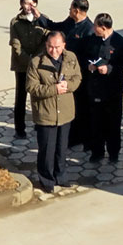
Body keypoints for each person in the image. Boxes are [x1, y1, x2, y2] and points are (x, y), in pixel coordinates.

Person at [26, 29, 82, 193]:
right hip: (46, 113)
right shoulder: (36, 62)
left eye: (57, 47)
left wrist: (68, 86)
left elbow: (77, 78)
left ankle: (61, 176)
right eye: (50, 47)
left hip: (65, 112)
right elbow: (31, 87)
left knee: (61, 148)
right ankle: (46, 179)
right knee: (47, 150)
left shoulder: (70, 58)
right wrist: (54, 89)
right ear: (46, 45)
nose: (54, 50)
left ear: (64, 45)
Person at [73, 12, 123, 166]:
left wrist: (109, 68)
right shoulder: (92, 40)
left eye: (96, 27)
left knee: (113, 124)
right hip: (95, 89)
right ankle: (97, 152)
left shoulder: (120, 43)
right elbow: (83, 56)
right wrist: (89, 66)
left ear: (103, 28)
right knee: (96, 123)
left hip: (113, 91)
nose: (94, 29)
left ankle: (113, 153)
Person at [5, 0, 50, 140]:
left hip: (39, 64)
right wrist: (29, 61)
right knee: (21, 96)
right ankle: (20, 129)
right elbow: (16, 45)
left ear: (36, 4)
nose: (28, 6)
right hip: (22, 65)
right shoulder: (15, 22)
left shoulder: (43, 20)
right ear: (21, 4)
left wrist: (37, 60)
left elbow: (46, 41)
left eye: (31, 3)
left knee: (39, 94)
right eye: (25, 3)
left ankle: (40, 123)